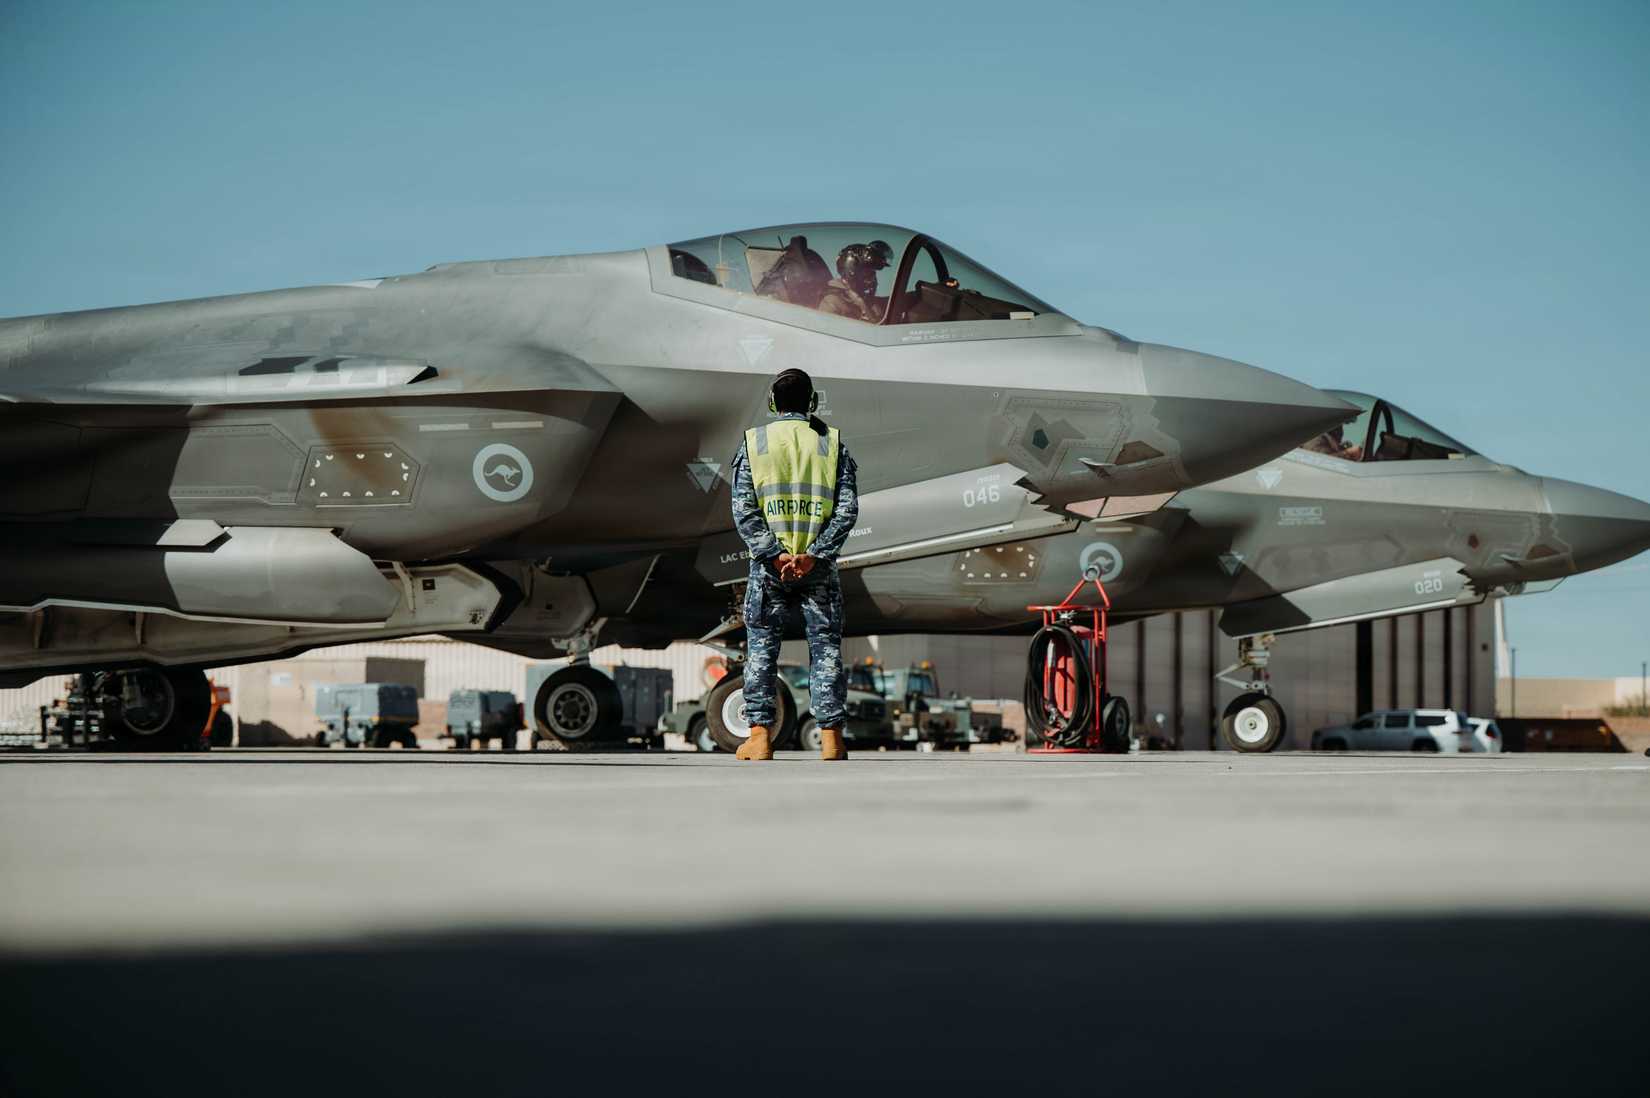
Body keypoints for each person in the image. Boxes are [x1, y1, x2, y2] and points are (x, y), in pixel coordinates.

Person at [728, 368, 860, 761]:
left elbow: (743, 509)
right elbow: (847, 510)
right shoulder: (832, 444)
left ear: (772, 403)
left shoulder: (755, 443)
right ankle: (832, 739)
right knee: (826, 651)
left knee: (762, 651)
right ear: (812, 403)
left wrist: (773, 553)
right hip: (817, 569)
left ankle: (759, 737)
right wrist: (813, 554)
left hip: (769, 569)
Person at [817, 240, 893, 322]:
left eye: (873, 272)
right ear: (851, 270)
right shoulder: (832, 302)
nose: (873, 276)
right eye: (868, 271)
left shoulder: (865, 299)